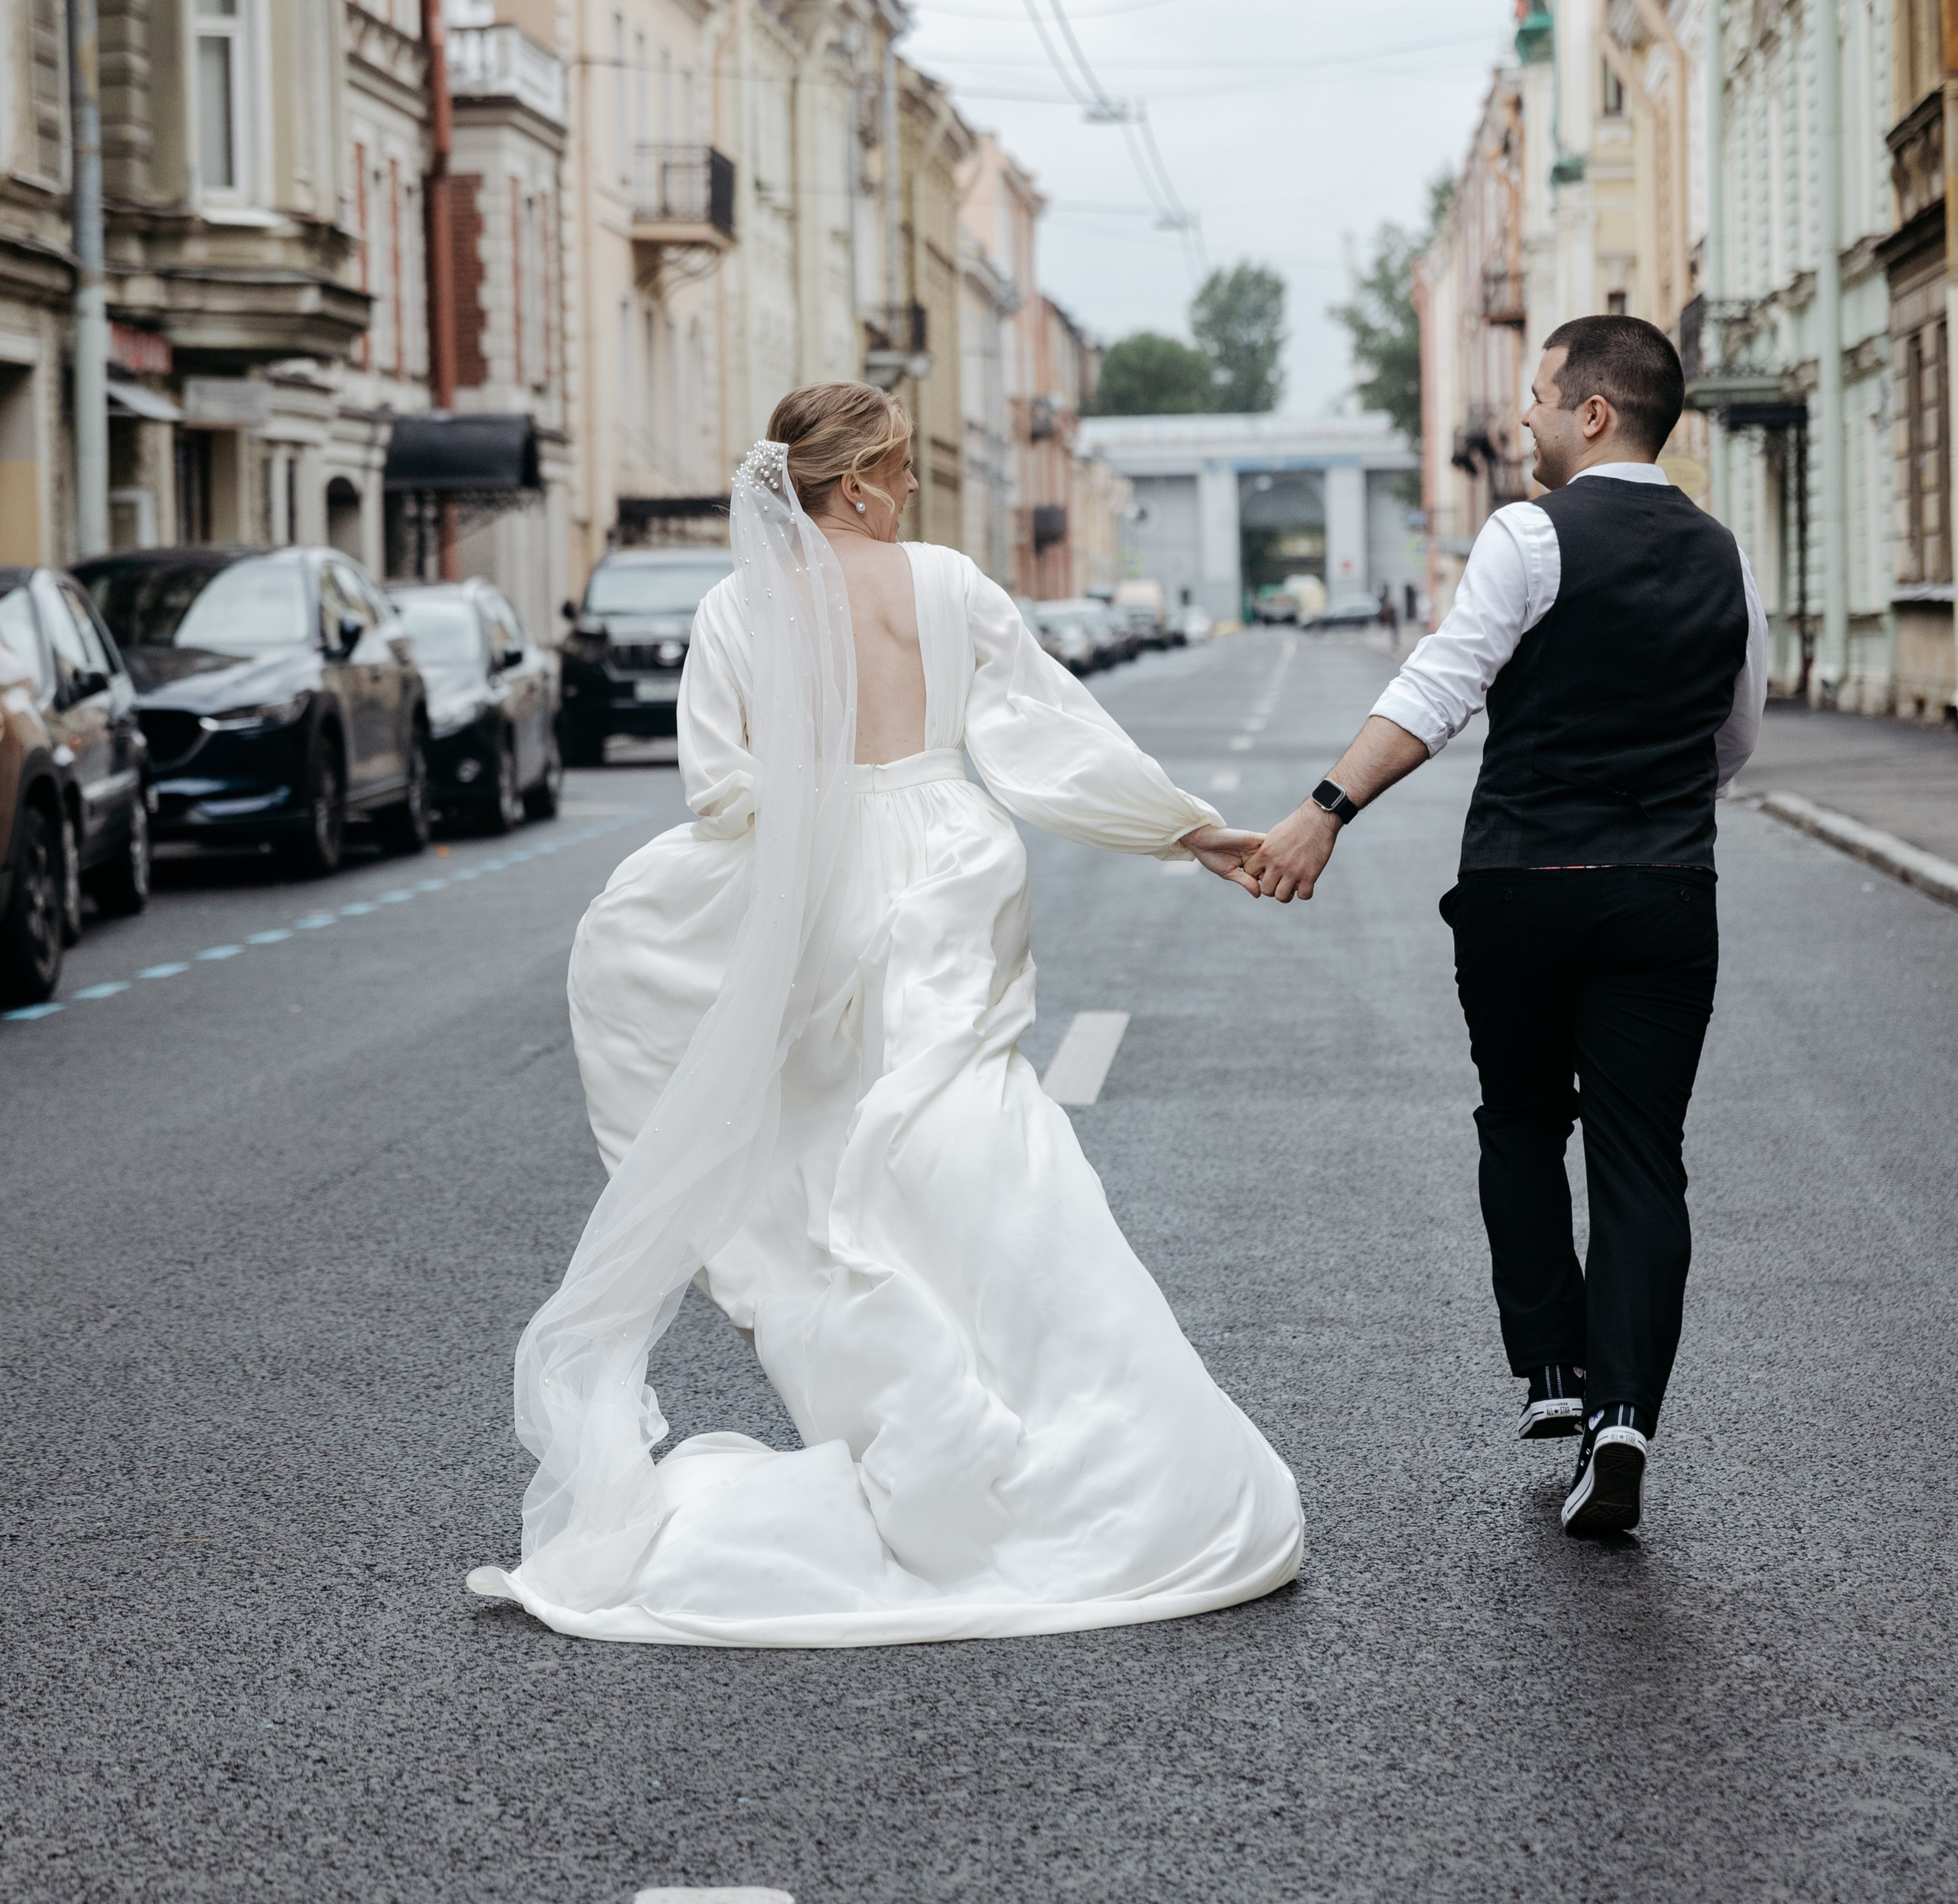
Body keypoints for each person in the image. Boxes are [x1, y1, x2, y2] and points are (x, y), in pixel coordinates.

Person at [468, 382, 1302, 1646]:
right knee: (976, 1135)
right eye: (899, 467)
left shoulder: (736, 608)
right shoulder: (948, 585)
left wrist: (806, 825)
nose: (913, 486)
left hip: (823, 884)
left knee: (834, 1148)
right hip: (954, 870)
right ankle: (1091, 1442)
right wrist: (1184, 828)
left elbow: (720, 791)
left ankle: (924, 1416)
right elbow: (1045, 732)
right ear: (850, 482)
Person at [1242, 316, 1765, 1541]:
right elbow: (1735, 739)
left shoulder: (1530, 533)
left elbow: (1443, 684)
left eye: (1539, 399)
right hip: (1663, 890)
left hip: (1525, 885)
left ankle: (1551, 1368)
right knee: (1642, 1155)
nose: (1524, 419)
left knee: (1523, 1119)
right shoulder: (1724, 553)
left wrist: (1326, 812)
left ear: (1592, 413)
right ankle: (1621, 1417)